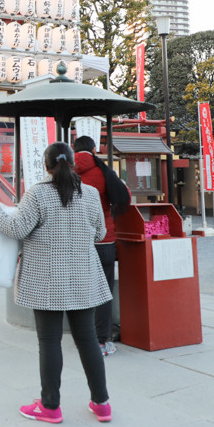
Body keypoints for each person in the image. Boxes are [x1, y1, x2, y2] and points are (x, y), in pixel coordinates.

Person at [0, 142, 112, 425]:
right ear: (73, 165)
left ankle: (50, 406)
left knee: (50, 341)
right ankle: (102, 404)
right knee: (88, 339)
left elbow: (17, 228)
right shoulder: (89, 194)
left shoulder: (38, 194)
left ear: (46, 166)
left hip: (47, 279)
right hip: (82, 276)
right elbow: (100, 232)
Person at [73, 135, 129, 357]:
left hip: (74, 241)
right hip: (104, 239)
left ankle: (80, 338)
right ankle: (99, 342)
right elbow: (123, 197)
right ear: (94, 149)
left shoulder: (64, 171)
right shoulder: (102, 170)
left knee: (77, 290)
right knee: (103, 291)